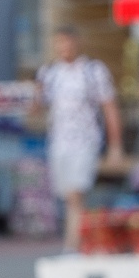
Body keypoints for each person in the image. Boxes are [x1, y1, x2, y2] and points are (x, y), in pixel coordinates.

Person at [35, 26, 125, 250]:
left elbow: (109, 108)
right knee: (68, 196)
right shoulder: (49, 73)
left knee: (76, 193)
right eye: (59, 42)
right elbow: (38, 107)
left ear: (77, 42)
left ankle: (71, 245)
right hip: (59, 143)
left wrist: (115, 145)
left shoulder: (93, 71)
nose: (63, 47)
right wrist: (32, 96)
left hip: (85, 142)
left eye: (67, 42)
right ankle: (80, 239)